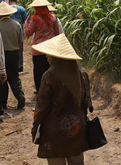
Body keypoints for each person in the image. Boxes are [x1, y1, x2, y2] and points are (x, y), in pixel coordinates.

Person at [31, 33, 89, 164]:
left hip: (54, 130)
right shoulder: (82, 73)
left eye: (49, 54)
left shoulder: (49, 76)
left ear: (57, 57)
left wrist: (35, 129)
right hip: (77, 127)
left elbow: (41, 107)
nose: (47, 57)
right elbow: (85, 102)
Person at [0, 2, 26, 109]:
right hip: (14, 54)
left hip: (0, 55)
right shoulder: (17, 24)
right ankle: (20, 96)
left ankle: (3, 103)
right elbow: (21, 43)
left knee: (1, 79)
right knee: (14, 77)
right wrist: (16, 52)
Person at [24, 0, 61, 95]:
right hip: (51, 48)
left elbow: (28, 32)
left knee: (38, 70)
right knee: (50, 69)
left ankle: (40, 90)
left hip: (38, 49)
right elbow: (57, 32)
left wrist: (26, 23)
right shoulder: (53, 18)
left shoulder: (35, 18)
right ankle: (51, 89)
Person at [9, 0, 27, 73]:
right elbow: (25, 20)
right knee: (20, 49)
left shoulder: (7, 8)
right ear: (17, 1)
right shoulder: (21, 9)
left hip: (9, 32)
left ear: (9, 1)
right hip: (20, 32)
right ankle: (20, 68)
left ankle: (11, 67)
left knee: (10, 49)